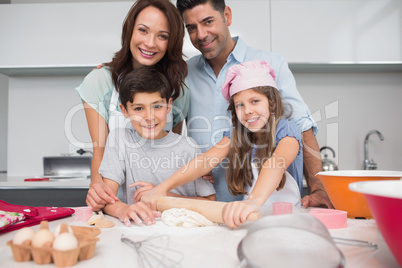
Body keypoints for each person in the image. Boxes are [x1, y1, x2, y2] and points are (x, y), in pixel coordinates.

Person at [173, 0, 333, 208]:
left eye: (208, 21)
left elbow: (302, 127)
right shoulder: (184, 73)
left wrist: (318, 188)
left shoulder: (271, 64)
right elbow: (174, 136)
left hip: (260, 205)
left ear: (227, 16)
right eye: (192, 28)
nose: (201, 34)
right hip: (205, 204)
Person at [141, 61, 302, 228]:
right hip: (251, 218)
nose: (247, 111)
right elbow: (204, 161)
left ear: (272, 102)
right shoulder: (238, 134)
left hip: (288, 221)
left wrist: (252, 202)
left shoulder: (287, 131)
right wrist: (162, 188)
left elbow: (275, 165)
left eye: (255, 101)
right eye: (240, 105)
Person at [75, 0, 189, 210]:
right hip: (117, 206)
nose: (150, 43)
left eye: (162, 36)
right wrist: (99, 194)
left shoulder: (178, 90)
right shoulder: (99, 82)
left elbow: (172, 151)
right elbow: (99, 152)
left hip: (161, 207)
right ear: (130, 31)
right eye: (143, 30)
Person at [101, 66, 216, 226]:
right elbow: (106, 199)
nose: (149, 117)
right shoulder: (119, 140)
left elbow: (210, 202)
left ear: (169, 105)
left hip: (184, 234)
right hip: (140, 232)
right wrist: (123, 210)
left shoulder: (188, 147)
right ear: (124, 110)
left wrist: (163, 196)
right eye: (139, 108)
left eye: (157, 106)